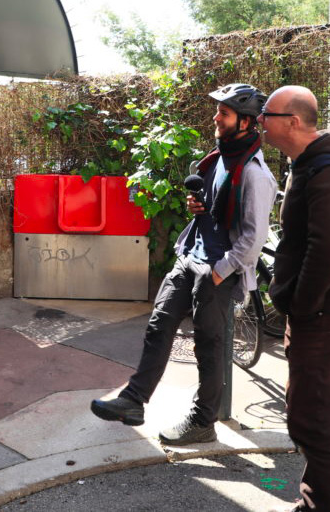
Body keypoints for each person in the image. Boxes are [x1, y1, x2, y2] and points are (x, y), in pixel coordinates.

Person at [90, 83, 277, 445]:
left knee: (208, 345)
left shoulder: (256, 173)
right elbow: (216, 207)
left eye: (223, 113)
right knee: (159, 325)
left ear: (245, 122)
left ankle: (203, 421)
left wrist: (220, 272)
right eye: (218, 111)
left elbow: (253, 239)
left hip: (217, 269)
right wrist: (199, 209)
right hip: (192, 254)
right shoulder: (219, 157)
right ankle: (133, 401)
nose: (215, 118)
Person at [260, 85, 330, 512]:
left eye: (267, 114)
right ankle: (315, 503)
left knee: (315, 424)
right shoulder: (308, 166)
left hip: (326, 312)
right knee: (308, 417)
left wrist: (302, 307)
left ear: (293, 122)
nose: (260, 121)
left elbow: (327, 250)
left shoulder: (329, 173)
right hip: (318, 311)